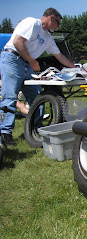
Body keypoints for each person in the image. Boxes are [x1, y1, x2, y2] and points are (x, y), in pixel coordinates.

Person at [0, 8, 75, 146]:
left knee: (37, 97)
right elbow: (18, 42)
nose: (58, 27)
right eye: (58, 23)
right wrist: (32, 61)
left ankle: (37, 128)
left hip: (27, 64)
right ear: (51, 18)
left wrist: (75, 68)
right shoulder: (31, 23)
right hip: (12, 58)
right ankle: (5, 134)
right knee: (9, 97)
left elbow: (60, 56)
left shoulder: (48, 37)